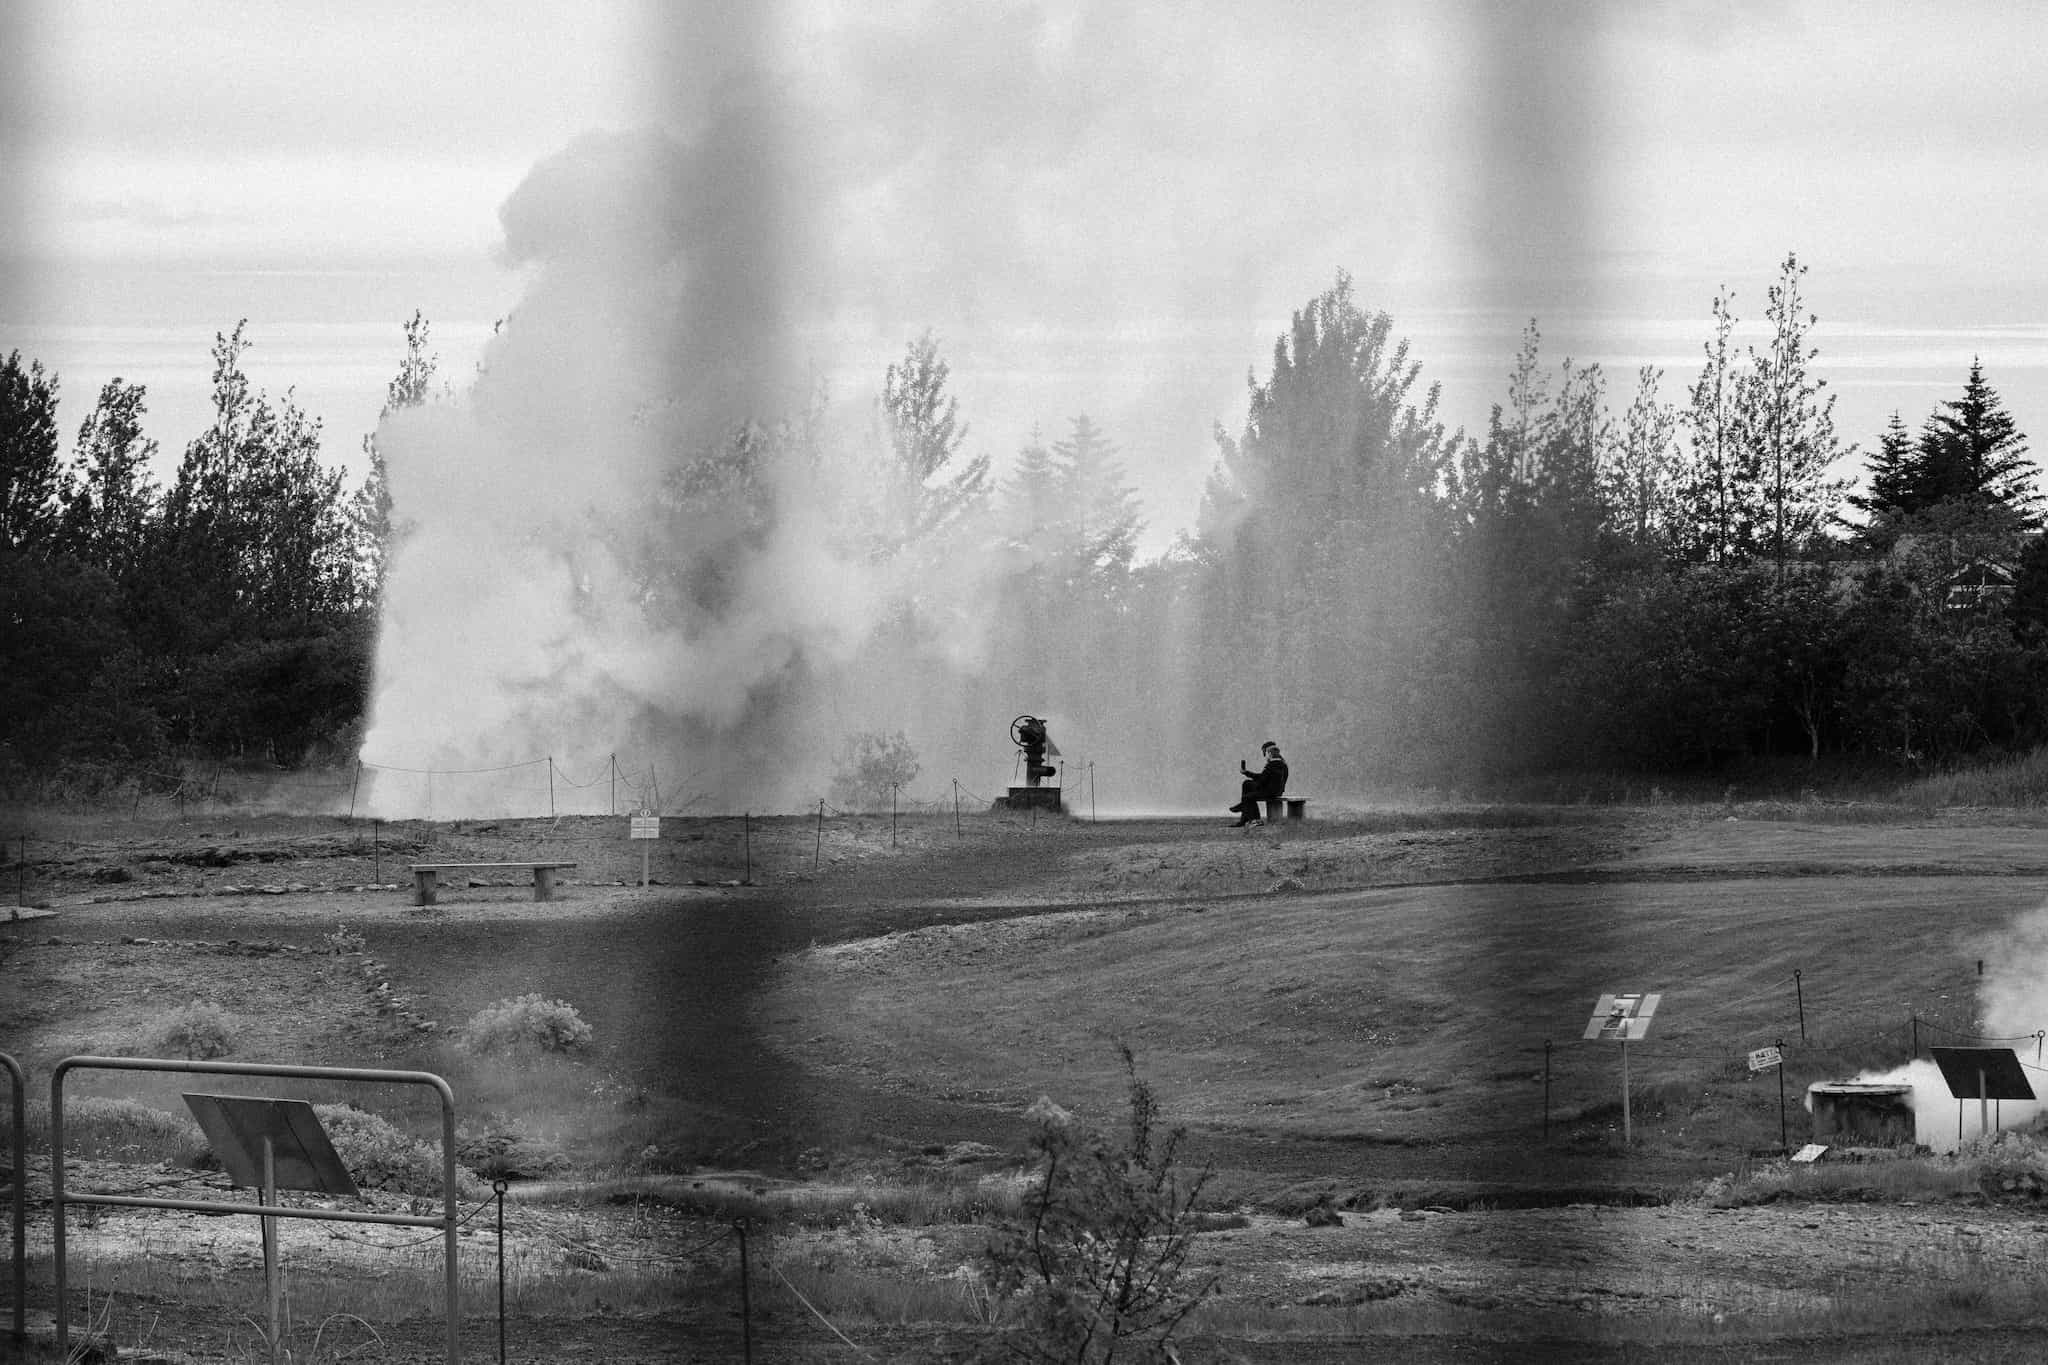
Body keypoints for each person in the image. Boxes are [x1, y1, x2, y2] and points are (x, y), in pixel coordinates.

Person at [1230, 740, 1287, 826]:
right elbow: (1266, 778)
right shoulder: (1282, 764)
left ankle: (1254, 819)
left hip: (1271, 792)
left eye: (1265, 753)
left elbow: (1262, 780)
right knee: (1247, 784)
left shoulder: (1272, 764)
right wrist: (1247, 773)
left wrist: (1254, 781)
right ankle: (1244, 818)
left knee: (1247, 797)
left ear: (1269, 753)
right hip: (1275, 790)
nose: (1264, 756)